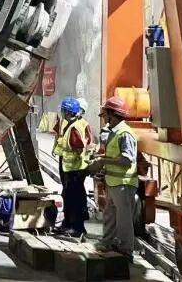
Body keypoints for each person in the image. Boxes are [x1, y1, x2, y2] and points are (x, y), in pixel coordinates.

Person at [88, 96, 138, 258]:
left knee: (124, 219)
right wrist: (101, 161)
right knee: (110, 214)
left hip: (123, 183)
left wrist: (103, 161)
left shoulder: (125, 134)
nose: (103, 118)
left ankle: (126, 250)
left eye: (105, 115)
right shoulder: (114, 132)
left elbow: (127, 159)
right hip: (113, 182)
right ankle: (107, 243)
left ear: (112, 115)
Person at [52, 97, 93, 238]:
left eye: (64, 111)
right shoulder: (74, 124)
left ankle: (76, 228)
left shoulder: (74, 127)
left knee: (74, 199)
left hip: (74, 170)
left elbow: (78, 147)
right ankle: (68, 224)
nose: (62, 113)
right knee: (69, 197)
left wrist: (67, 152)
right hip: (72, 169)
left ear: (69, 112)